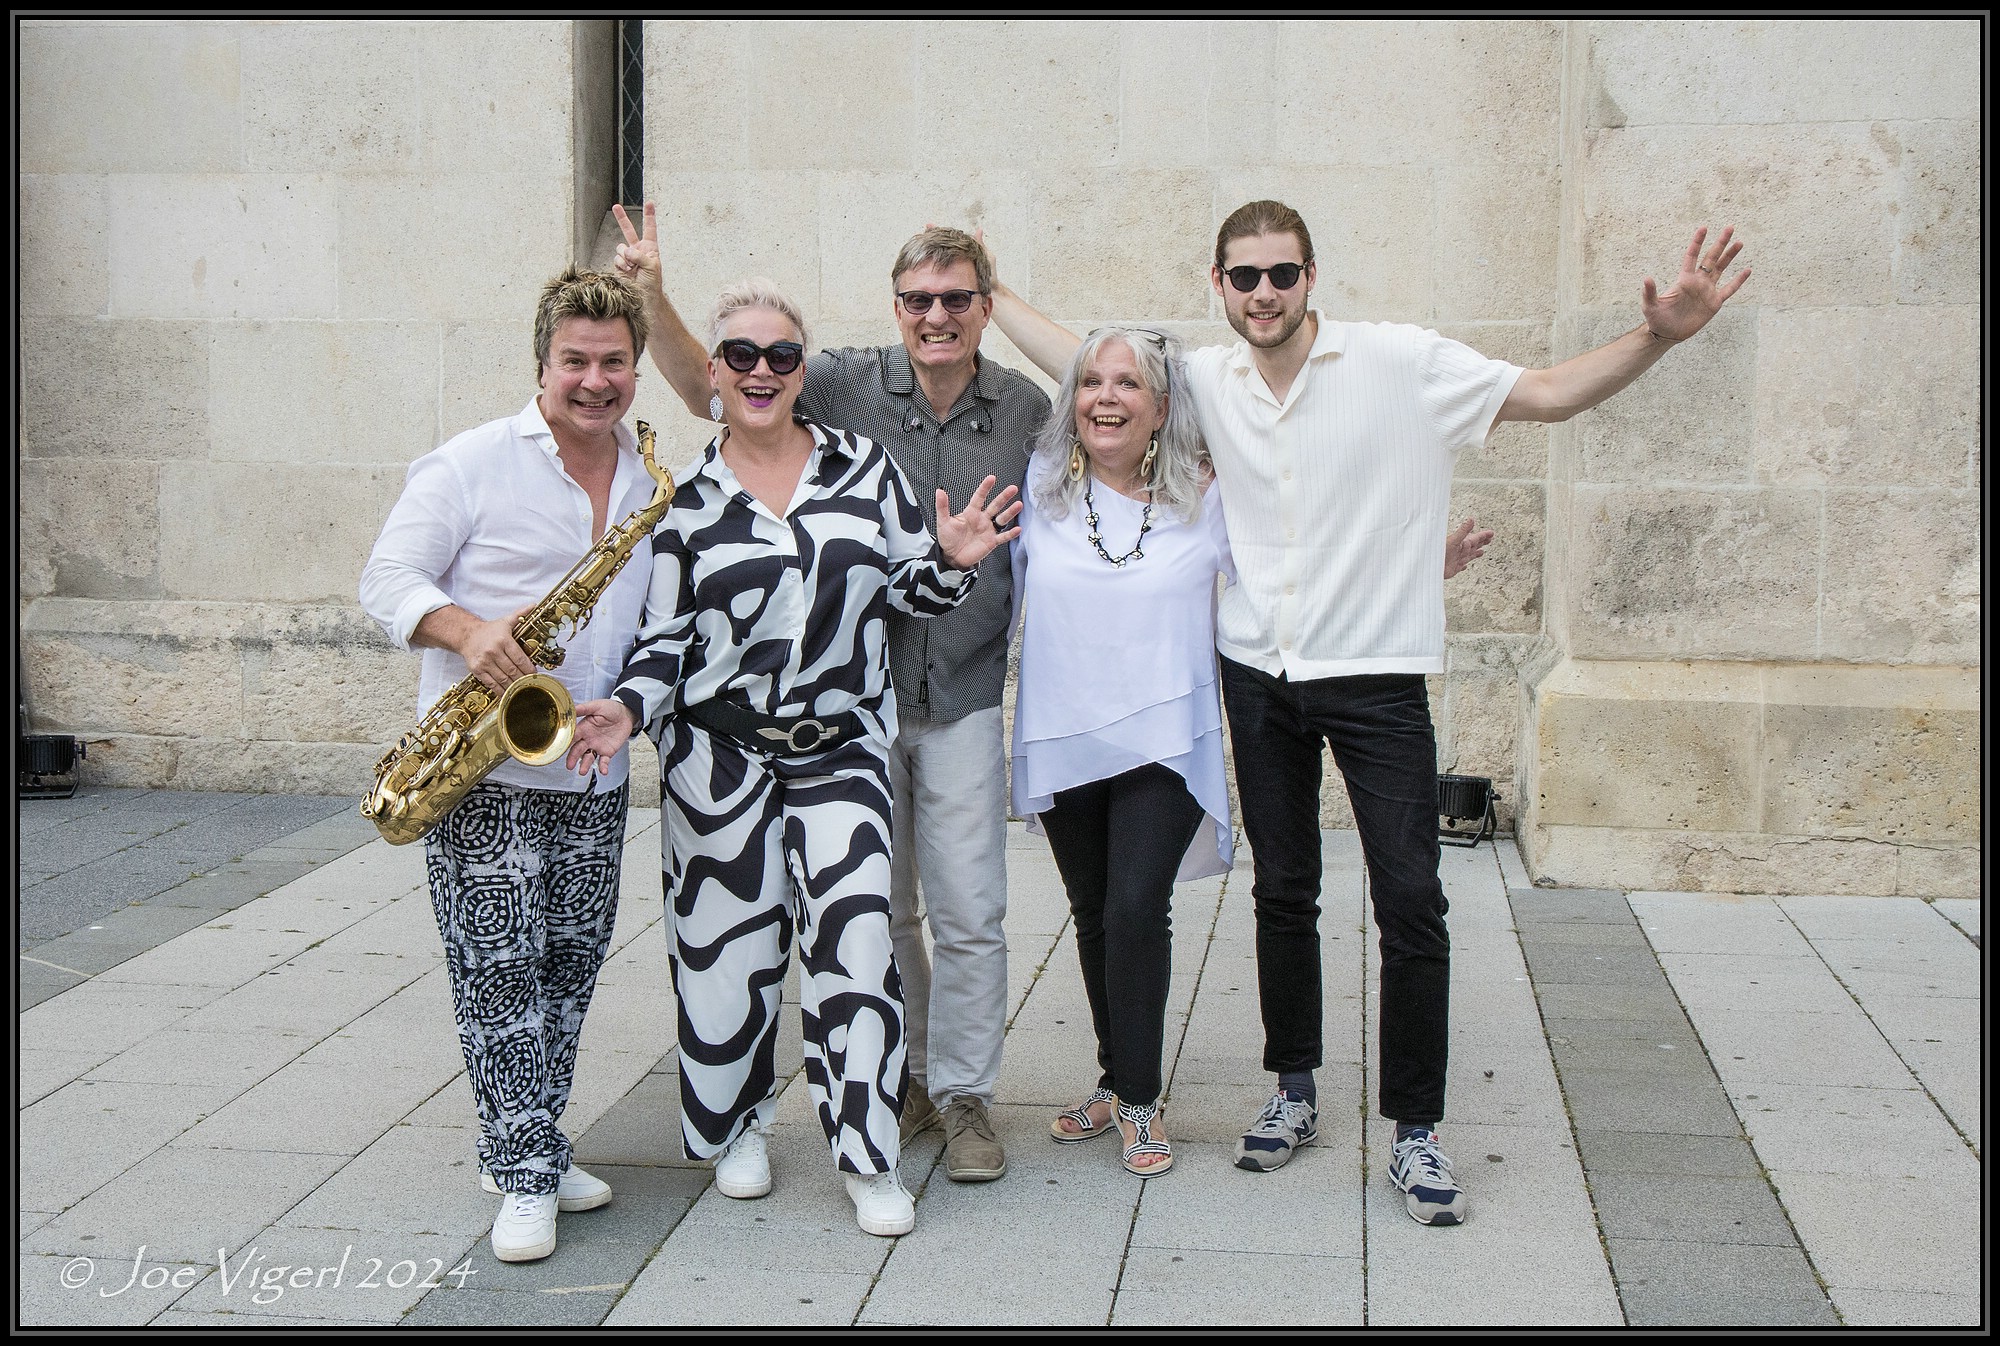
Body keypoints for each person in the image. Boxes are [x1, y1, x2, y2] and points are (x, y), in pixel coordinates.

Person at [990, 202, 1749, 1225]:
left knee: (1411, 900)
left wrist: (1659, 336)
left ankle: (1416, 1130)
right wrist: (986, 290)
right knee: (1283, 891)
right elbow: (1085, 358)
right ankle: (1292, 1088)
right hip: (1260, 672)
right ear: (1219, 285)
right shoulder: (1206, 380)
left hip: (1376, 676)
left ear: (1311, 276)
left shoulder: (1402, 361)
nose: (1264, 292)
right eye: (1244, 276)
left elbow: (1549, 393)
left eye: (1281, 273)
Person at [563, 280, 1020, 1238]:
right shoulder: (684, 501)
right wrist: (627, 712)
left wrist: (952, 561)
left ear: (803, 371)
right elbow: (664, 638)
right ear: (715, 374)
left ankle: (869, 1156)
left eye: (780, 355)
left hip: (840, 749)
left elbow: (908, 588)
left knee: (856, 946)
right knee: (725, 955)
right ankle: (736, 1130)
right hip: (717, 757)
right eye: (741, 355)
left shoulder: (860, 467)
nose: (761, 371)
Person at [358, 266, 654, 1263]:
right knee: (498, 976)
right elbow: (386, 578)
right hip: (481, 768)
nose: (595, 380)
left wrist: (631, 701)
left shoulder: (648, 481)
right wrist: (467, 630)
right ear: (541, 365)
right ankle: (526, 1172)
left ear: (635, 369)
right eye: (575, 360)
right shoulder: (470, 462)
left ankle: (522, 1139)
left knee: (567, 970)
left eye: (613, 362)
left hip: (589, 766)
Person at [1012, 326, 1232, 1179]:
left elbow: (1294, 567)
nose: (1106, 398)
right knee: (1095, 908)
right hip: (1066, 734)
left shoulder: (1207, 498)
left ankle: (1140, 1099)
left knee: (1138, 905)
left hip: (1166, 741)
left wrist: (1410, 564)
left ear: (1164, 408)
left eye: (1129, 384)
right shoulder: (1041, 489)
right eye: (1091, 382)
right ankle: (1115, 1076)